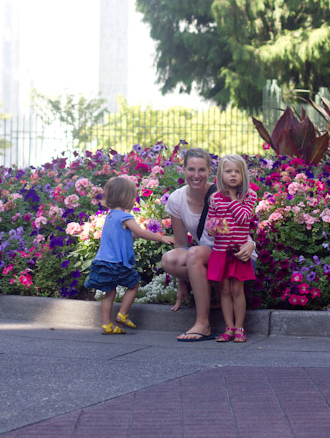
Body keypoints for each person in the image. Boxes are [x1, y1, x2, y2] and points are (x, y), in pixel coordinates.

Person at [161, 147, 256, 342]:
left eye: (202, 170)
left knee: (195, 254)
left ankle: (205, 321)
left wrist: (251, 244)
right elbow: (180, 244)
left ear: (211, 171)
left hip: (237, 252)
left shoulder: (226, 191)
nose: (196, 175)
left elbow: (244, 226)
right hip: (214, 251)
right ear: (183, 169)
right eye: (191, 169)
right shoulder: (178, 199)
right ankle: (213, 298)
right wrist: (182, 282)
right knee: (170, 259)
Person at [84, 176, 174, 334]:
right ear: (125, 198)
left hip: (104, 262)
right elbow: (139, 231)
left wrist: (135, 236)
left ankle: (107, 324)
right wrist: (161, 237)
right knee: (133, 284)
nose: (135, 200)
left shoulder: (110, 216)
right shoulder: (125, 216)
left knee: (109, 292)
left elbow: (126, 235)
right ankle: (123, 314)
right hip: (117, 263)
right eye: (133, 196)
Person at [206, 154, 256, 343]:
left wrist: (234, 198)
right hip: (220, 251)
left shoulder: (249, 196)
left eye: (237, 172)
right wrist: (213, 227)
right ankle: (229, 328)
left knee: (237, 289)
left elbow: (244, 218)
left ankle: (240, 328)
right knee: (224, 290)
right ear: (221, 174)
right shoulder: (215, 198)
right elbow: (210, 226)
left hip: (238, 253)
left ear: (243, 175)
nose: (233, 175)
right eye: (228, 171)